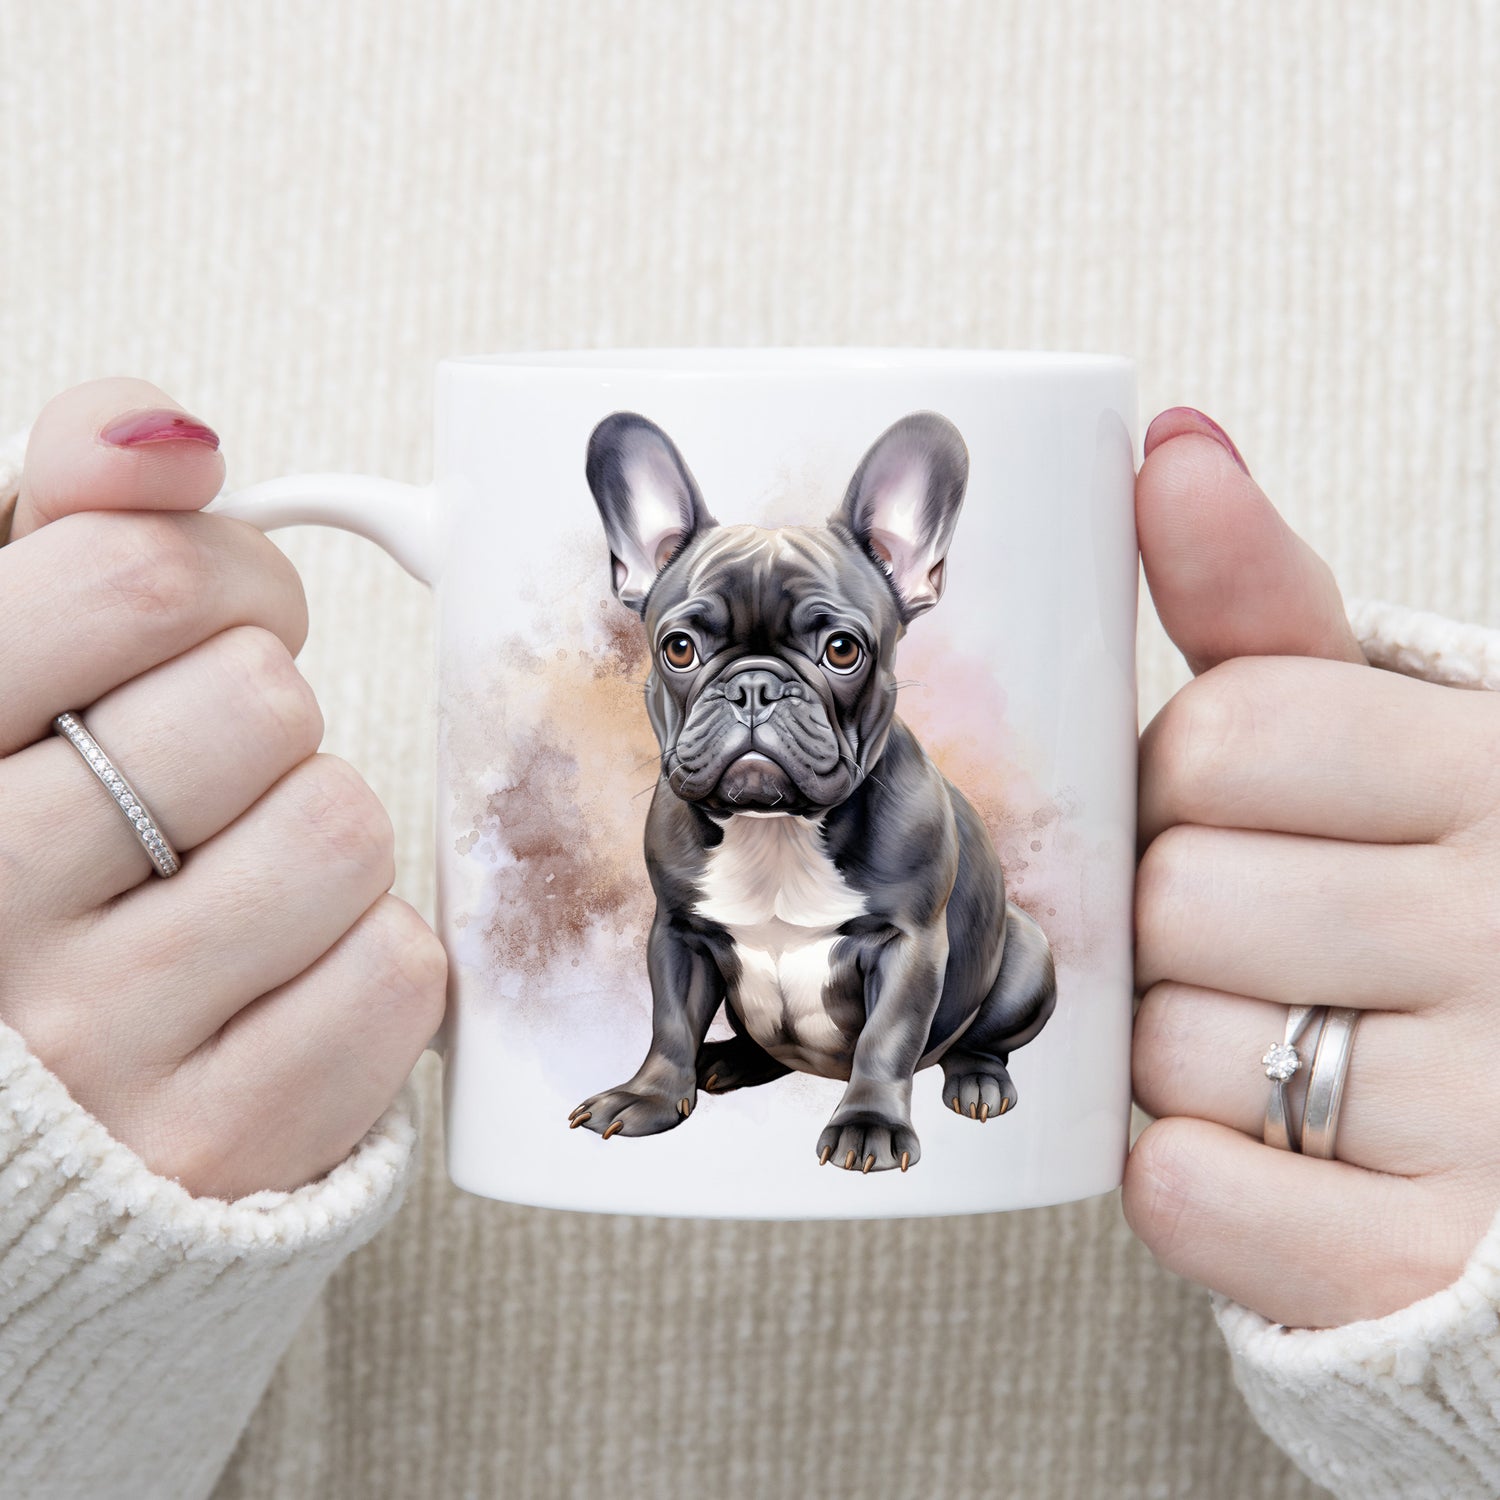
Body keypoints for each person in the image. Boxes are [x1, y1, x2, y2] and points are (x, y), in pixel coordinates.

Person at [2, 379, 1499, 1500]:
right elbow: (683, 936)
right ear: (633, 587)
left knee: (1010, 968)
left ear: (914, 580)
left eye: (832, 651)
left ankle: (892, 1076)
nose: (758, 698)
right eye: (694, 649)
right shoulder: (679, 835)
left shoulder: (911, 828)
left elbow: (933, 934)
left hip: (939, 1007)